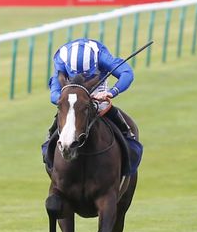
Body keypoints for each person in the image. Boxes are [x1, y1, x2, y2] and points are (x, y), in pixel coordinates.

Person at [43, 38, 138, 168]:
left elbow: (126, 73)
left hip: (97, 86)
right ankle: (49, 146)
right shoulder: (62, 58)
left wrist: (111, 92)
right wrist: (64, 99)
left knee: (104, 108)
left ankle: (127, 137)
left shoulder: (101, 56)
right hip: (72, 89)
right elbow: (54, 92)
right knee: (65, 114)